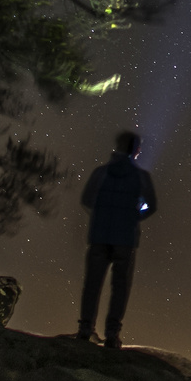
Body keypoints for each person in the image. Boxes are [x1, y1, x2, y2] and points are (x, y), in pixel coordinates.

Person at [76, 130, 157, 347]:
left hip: (99, 236)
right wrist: (133, 215)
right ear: (135, 150)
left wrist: (101, 215)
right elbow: (151, 205)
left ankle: (85, 328)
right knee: (120, 287)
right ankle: (112, 334)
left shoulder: (101, 173)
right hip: (126, 239)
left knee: (92, 284)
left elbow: (86, 199)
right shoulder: (141, 177)